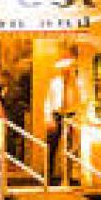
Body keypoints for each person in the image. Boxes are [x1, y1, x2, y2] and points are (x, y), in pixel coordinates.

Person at [43, 56, 83, 185]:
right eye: (64, 69)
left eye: (68, 69)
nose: (66, 72)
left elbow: (80, 102)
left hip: (70, 116)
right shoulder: (54, 83)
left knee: (70, 148)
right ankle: (48, 177)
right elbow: (48, 101)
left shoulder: (77, 84)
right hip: (57, 115)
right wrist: (49, 117)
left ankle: (67, 177)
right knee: (51, 146)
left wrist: (77, 119)